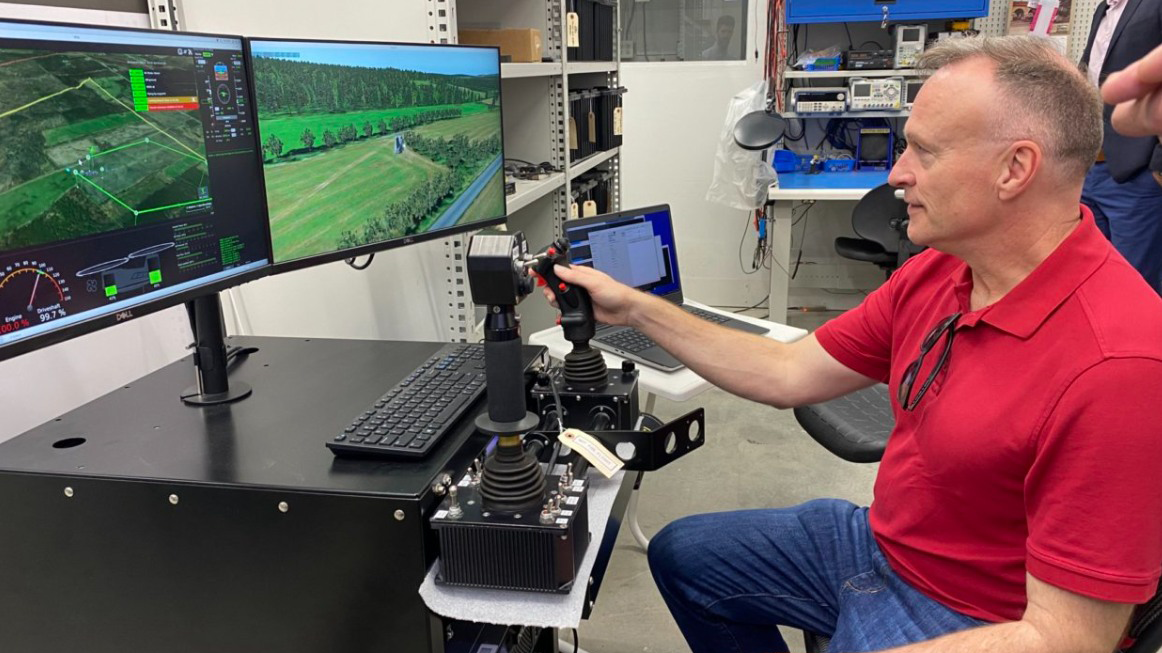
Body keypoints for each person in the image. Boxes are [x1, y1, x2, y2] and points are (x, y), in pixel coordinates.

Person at [543, 36, 1162, 653]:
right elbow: (788, 370)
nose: (898, 172)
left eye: (924, 150)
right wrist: (633, 308)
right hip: (881, 544)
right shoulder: (940, 271)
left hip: (970, 613)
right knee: (685, 558)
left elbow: (1068, 639)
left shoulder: (1118, 364)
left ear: (1015, 169)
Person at [1078, 0, 1162, 292]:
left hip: (1136, 173)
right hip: (1091, 169)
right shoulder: (1103, 10)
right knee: (1092, 271)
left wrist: (1157, 167)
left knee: (1135, 283)